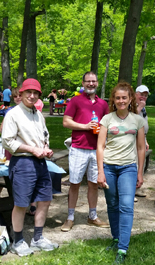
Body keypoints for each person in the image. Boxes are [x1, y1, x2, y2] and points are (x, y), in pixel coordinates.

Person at [2, 78, 58, 256]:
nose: (32, 96)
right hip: (23, 162)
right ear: (21, 93)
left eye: (35, 93)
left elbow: (43, 136)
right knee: (21, 203)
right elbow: (7, 142)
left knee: (44, 200)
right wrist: (32, 149)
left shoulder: (38, 114)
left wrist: (45, 149)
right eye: (28, 92)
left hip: (40, 162)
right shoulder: (13, 114)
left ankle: (38, 238)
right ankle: (17, 241)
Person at [97, 82, 146, 264]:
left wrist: (140, 172)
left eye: (124, 97)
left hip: (128, 168)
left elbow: (141, 148)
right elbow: (100, 146)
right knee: (112, 204)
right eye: (117, 98)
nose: (121, 101)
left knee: (126, 205)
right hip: (109, 167)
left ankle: (122, 249)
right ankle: (116, 238)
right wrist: (100, 172)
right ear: (113, 100)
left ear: (130, 99)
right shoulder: (106, 120)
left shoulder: (137, 120)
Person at [61, 71, 110, 232]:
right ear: (83, 84)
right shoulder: (75, 101)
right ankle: (70, 218)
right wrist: (85, 126)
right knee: (74, 183)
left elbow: (107, 125)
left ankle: (93, 216)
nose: (91, 84)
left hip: (97, 150)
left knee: (93, 184)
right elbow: (66, 122)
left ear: (97, 83)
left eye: (93, 81)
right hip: (79, 148)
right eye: (88, 81)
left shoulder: (103, 104)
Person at [134, 85, 150, 200]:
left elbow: (144, 126)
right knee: (134, 164)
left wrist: (145, 140)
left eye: (145, 95)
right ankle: (130, 191)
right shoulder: (133, 107)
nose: (143, 97)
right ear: (136, 94)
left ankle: (137, 189)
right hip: (133, 140)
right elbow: (130, 121)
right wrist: (139, 107)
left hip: (142, 139)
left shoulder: (144, 109)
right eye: (141, 94)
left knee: (141, 164)